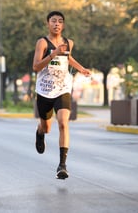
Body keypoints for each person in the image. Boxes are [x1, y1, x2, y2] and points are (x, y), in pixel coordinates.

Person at [33, 11, 91, 180]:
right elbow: (36, 67)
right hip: (44, 90)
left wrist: (81, 69)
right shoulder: (42, 43)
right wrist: (53, 54)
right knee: (47, 128)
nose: (57, 24)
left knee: (63, 123)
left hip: (62, 89)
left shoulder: (68, 43)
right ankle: (39, 131)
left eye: (60, 21)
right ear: (48, 24)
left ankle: (62, 165)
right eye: (53, 21)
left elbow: (68, 58)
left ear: (63, 25)